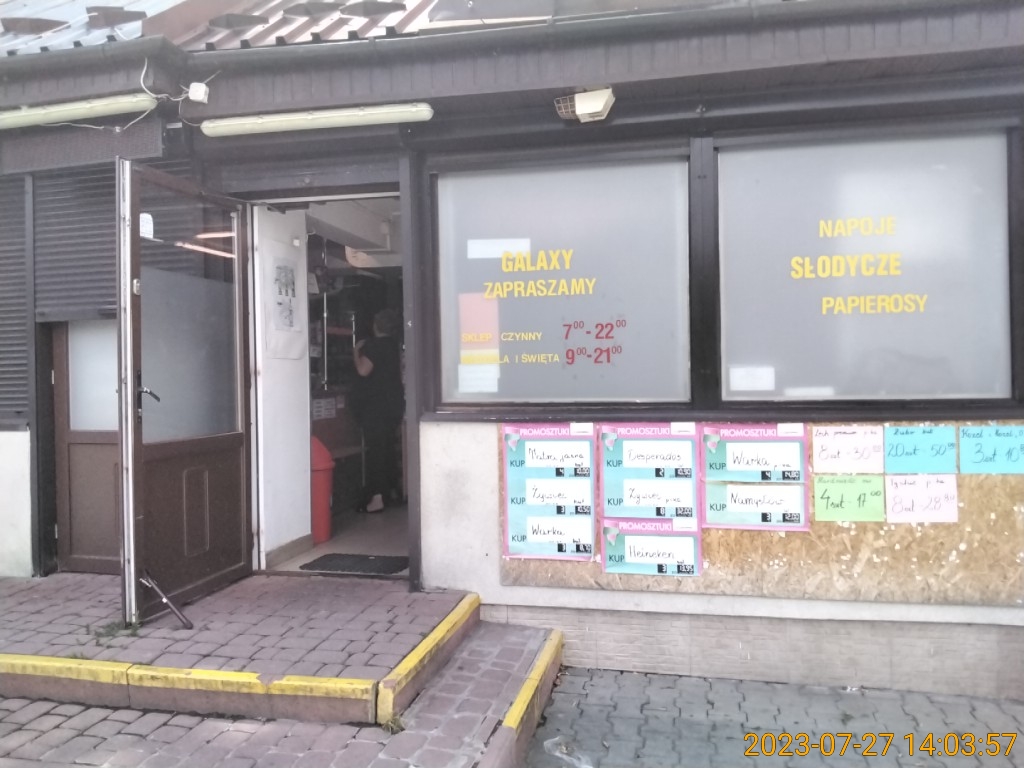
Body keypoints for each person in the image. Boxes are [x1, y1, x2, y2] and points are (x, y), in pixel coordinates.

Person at [352, 308, 404, 513]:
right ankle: (392, 491)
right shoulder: (393, 346)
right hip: (394, 405)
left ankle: (377, 497)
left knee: (377, 451)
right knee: (388, 448)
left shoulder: (374, 346)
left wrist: (356, 352)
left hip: (376, 407)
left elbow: (363, 371)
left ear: (376, 326)